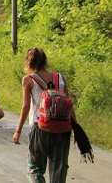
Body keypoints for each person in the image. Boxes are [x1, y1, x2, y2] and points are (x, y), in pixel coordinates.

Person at [12, 47, 77, 183]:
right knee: (59, 168)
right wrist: (75, 129)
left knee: (35, 167)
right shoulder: (60, 77)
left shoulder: (28, 80)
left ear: (29, 61)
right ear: (45, 61)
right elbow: (68, 104)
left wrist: (18, 131)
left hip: (40, 127)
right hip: (62, 129)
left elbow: (25, 107)